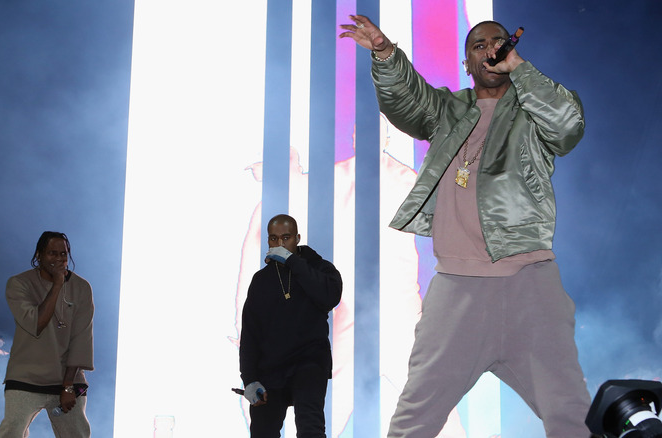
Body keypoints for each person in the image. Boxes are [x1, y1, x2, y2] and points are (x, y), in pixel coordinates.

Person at [340, 16, 591, 438]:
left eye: (498, 42)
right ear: (466, 63)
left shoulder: (531, 108)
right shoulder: (449, 110)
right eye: (479, 45)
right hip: (456, 288)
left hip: (529, 281)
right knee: (413, 419)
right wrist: (385, 52)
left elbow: (568, 126)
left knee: (570, 413)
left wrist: (520, 69)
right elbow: (408, 100)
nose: (490, 48)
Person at [239, 214, 343, 437]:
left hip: (309, 363)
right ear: (268, 241)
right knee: (262, 431)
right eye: (274, 239)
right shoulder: (261, 280)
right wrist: (249, 380)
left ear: (297, 238)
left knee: (310, 428)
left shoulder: (320, 268)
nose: (280, 244)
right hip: (271, 368)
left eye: (286, 238)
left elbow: (330, 297)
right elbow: (250, 334)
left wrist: (293, 261)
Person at [0, 231, 94, 438]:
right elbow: (36, 324)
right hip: (26, 376)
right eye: (52, 253)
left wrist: (68, 386)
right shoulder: (18, 284)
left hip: (68, 379)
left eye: (63, 254)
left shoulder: (82, 288)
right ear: (39, 255)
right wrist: (58, 285)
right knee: (11, 433)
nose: (59, 259)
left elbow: (81, 338)